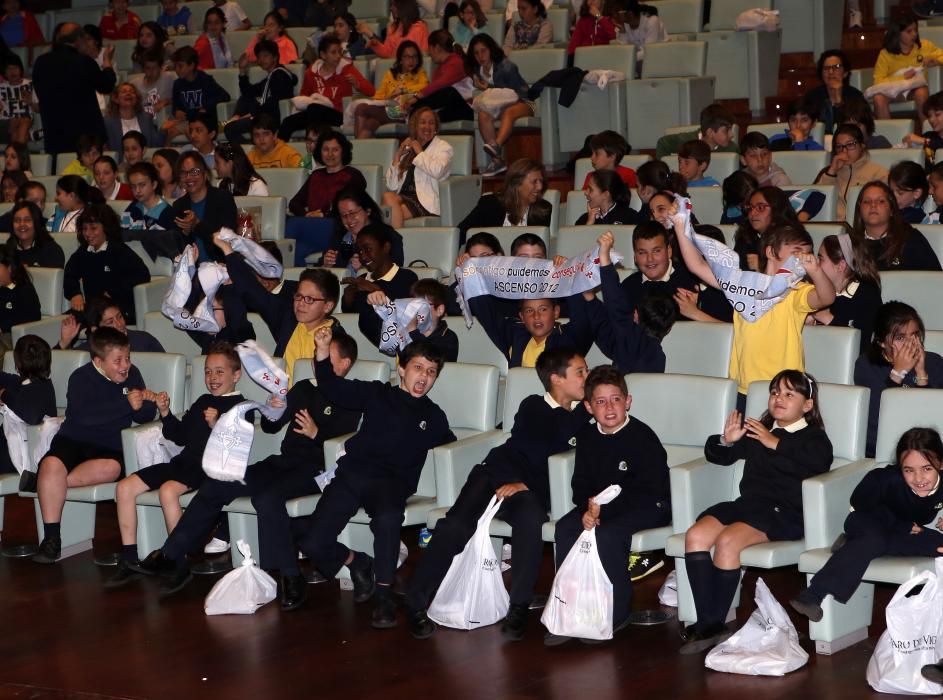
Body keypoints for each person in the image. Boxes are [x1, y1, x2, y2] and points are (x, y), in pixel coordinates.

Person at [130, 334, 362, 603]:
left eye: (324, 357)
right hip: (282, 461)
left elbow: (344, 446)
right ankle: (170, 555)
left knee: (268, 498)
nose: (316, 362)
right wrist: (276, 408)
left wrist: (316, 434)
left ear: (344, 364)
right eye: (316, 356)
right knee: (217, 483)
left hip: (317, 470)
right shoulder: (303, 388)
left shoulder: (351, 396)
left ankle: (290, 576)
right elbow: (273, 426)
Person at [406, 347, 589, 639]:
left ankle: (518, 606)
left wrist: (525, 486)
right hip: (496, 473)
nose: (586, 378)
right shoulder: (533, 406)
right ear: (556, 378)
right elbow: (540, 448)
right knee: (456, 525)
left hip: (529, 491)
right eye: (581, 372)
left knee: (530, 518)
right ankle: (415, 600)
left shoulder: (582, 419)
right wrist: (583, 411)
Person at [295, 329, 454, 627]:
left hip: (392, 483)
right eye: (418, 368)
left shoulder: (434, 417)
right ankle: (358, 562)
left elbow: (453, 447)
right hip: (353, 473)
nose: (423, 377)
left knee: (388, 519)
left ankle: (384, 595)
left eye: (431, 372)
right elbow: (332, 388)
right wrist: (322, 349)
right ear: (402, 368)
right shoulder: (378, 393)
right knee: (313, 542)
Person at [680, 370, 832, 654]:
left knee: (727, 541)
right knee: (696, 535)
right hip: (749, 505)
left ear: (807, 406)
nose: (779, 399)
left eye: (789, 394)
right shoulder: (761, 429)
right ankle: (709, 622)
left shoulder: (813, 439)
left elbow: (816, 467)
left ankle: (709, 624)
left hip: (785, 512)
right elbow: (720, 456)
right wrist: (728, 440)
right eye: (775, 392)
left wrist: (774, 443)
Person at [545, 364, 670, 645]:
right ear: (589, 407)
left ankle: (613, 614)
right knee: (566, 528)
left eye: (615, 399)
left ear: (628, 401)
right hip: (601, 508)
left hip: (649, 505)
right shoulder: (589, 437)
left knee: (607, 534)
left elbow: (650, 490)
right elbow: (580, 484)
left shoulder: (643, 437)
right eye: (600, 402)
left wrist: (601, 513)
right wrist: (586, 509)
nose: (609, 408)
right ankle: (569, 613)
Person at [105, 343, 247, 588]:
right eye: (208, 371)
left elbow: (238, 447)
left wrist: (218, 425)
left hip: (210, 470)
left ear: (236, 375)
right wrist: (166, 412)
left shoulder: (240, 407)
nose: (212, 378)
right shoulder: (203, 400)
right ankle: (129, 558)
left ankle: (179, 563)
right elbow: (179, 436)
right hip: (183, 463)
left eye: (219, 372)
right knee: (125, 487)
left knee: (168, 490)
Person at [675, 212, 836, 411]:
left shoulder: (796, 290)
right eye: (797, 252)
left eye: (808, 253)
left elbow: (827, 297)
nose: (803, 259)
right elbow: (696, 265)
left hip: (784, 390)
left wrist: (816, 271)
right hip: (743, 387)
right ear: (771, 252)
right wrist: (679, 224)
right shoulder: (743, 284)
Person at [791, 427, 943, 624]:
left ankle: (852, 544)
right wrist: (900, 525)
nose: (919, 478)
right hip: (866, 519)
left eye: (927, 469)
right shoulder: (886, 479)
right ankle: (812, 595)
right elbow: (860, 504)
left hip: (901, 531)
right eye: (909, 470)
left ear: (940, 464)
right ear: (900, 468)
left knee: (938, 544)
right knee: (874, 539)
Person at [31, 327, 157, 564]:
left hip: (110, 447)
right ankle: (51, 539)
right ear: (98, 361)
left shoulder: (133, 375)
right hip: (74, 439)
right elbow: (84, 417)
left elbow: (142, 418)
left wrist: (146, 403)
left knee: (111, 469)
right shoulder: (80, 378)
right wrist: (126, 404)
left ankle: (45, 484)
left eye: (127, 358)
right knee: (51, 464)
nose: (125, 365)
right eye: (118, 360)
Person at [854, 301, 943, 458]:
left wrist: (921, 374)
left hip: (927, 448)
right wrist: (898, 373)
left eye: (915, 335)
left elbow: (933, 417)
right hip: (882, 449)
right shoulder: (867, 365)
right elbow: (877, 419)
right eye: (901, 337)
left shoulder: (934, 362)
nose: (910, 343)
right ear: (881, 342)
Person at [590, 231, 676, 373]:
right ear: (669, 328)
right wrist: (590, 298)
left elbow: (616, 304)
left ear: (635, 315)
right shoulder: (657, 355)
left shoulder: (631, 342)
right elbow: (608, 322)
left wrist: (604, 259)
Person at [287, 130, 365, 266]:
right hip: (311, 229)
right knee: (293, 251)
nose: (330, 154)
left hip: (336, 227)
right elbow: (295, 203)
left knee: (292, 224)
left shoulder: (352, 175)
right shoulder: (316, 175)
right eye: (325, 150)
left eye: (335, 150)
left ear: (343, 152)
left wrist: (323, 214)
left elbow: (351, 206)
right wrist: (307, 214)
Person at [64, 204, 151, 325]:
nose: (88, 233)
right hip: (93, 309)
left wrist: (114, 292)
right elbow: (69, 274)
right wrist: (75, 294)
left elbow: (142, 275)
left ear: (106, 228)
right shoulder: (83, 252)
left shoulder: (119, 250)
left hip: (118, 310)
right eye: (84, 229)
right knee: (64, 323)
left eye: (93, 228)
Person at [277, 34, 374, 140]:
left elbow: (371, 91)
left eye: (340, 51)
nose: (338, 56)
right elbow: (304, 97)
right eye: (333, 52)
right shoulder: (311, 73)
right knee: (287, 122)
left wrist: (357, 84)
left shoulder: (347, 69)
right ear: (323, 55)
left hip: (339, 115)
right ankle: (279, 154)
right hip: (315, 113)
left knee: (314, 109)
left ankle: (313, 144)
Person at [467, 34, 532, 177]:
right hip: (500, 105)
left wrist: (488, 87)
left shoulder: (507, 67)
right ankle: (497, 161)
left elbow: (518, 93)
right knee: (483, 115)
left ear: (491, 50)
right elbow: (495, 95)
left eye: (483, 51)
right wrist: (486, 87)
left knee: (508, 112)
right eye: (476, 53)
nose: (480, 56)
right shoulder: (478, 71)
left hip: (524, 102)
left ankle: (496, 146)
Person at [810, 233, 883, 355]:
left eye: (821, 259)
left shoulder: (867, 296)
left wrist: (826, 318)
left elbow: (862, 347)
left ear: (840, 266)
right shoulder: (814, 291)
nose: (817, 264)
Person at [851, 180, 942, 271]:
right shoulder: (848, 245)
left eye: (881, 201)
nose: (873, 205)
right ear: (859, 210)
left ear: (891, 210)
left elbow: (934, 280)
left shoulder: (911, 239)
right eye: (867, 201)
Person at [384, 106, 452, 227]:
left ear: (436, 128)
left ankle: (396, 243)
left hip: (425, 200)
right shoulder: (409, 148)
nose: (427, 126)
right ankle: (397, 241)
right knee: (387, 198)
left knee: (388, 216)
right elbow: (392, 185)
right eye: (423, 122)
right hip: (404, 196)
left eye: (431, 123)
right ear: (415, 126)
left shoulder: (443, 147)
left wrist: (419, 152)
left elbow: (437, 171)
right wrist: (397, 156)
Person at [872, 15, 943, 130]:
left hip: (915, 89)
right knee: (878, 98)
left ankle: (927, 132)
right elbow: (878, 80)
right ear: (897, 33)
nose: (914, 34)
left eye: (915, 30)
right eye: (909, 31)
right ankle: (888, 137)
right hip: (894, 92)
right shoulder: (885, 54)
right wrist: (902, 77)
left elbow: (942, 55)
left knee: (922, 91)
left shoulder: (924, 46)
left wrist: (936, 60)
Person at [458, 158, 551, 242]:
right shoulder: (489, 204)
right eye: (534, 182)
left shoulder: (544, 209)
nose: (540, 187)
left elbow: (540, 246)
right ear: (516, 183)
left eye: (541, 181)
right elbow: (460, 234)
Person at [0, 335, 55, 476]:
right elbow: (4, 378)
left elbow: (31, 415)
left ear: (18, 365)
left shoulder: (42, 389)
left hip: (22, 454)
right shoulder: (25, 384)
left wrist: (4, 395)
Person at [224, 40, 298, 144]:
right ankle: (235, 118)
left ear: (275, 57)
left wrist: (251, 114)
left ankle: (252, 150)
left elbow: (274, 103)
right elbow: (248, 92)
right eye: (259, 57)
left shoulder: (280, 75)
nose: (261, 60)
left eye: (265, 56)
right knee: (245, 97)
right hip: (261, 116)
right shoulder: (270, 77)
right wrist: (242, 70)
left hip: (269, 119)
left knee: (229, 128)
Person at [171, 152, 238, 263]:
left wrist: (197, 224)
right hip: (193, 270)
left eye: (194, 172)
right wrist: (186, 232)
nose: (188, 177)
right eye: (183, 173)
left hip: (221, 265)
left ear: (205, 174)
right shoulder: (179, 205)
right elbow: (178, 248)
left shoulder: (223, 199)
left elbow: (227, 239)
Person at [353, 40, 429, 138]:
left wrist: (402, 90)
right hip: (387, 108)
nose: (411, 60)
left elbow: (425, 86)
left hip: (402, 112)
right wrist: (390, 96)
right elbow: (378, 96)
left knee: (361, 108)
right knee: (370, 123)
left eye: (414, 57)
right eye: (407, 57)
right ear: (400, 59)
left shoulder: (420, 73)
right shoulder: (390, 74)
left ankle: (353, 151)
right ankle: (359, 150)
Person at [340, 223, 418, 317]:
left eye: (368, 249)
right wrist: (348, 300)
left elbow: (401, 316)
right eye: (360, 251)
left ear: (386, 247)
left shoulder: (407, 278)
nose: (363, 257)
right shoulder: (361, 279)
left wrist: (373, 289)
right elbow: (352, 319)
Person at [320, 186, 405, 271]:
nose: (349, 220)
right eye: (344, 215)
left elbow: (394, 273)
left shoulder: (388, 236)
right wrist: (326, 265)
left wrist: (365, 269)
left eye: (352, 213)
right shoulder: (338, 238)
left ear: (368, 211)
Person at [816, 124, 889, 222]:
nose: (844, 151)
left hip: (864, 226)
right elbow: (816, 202)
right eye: (839, 147)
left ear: (862, 146)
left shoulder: (879, 173)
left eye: (850, 145)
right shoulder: (828, 173)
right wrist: (832, 171)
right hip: (833, 227)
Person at [163, 46, 231, 142]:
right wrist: (177, 111)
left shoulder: (205, 80)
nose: (177, 70)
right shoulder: (177, 84)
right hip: (188, 120)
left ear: (191, 65)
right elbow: (176, 105)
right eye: (175, 66)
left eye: (180, 66)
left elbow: (225, 96)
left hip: (205, 121)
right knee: (168, 131)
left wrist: (206, 106)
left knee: (189, 129)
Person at [406, 30, 474, 126]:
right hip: (451, 109)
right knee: (428, 116)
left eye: (429, 48)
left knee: (449, 92)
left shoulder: (456, 61)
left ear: (436, 47)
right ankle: (415, 113)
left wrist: (416, 97)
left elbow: (441, 84)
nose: (428, 53)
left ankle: (415, 112)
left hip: (467, 109)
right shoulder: (439, 68)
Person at [56, 295, 164, 353]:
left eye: (120, 317)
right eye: (110, 322)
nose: (119, 324)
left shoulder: (144, 341)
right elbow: (47, 369)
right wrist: (64, 343)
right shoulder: (87, 351)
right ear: (95, 329)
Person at [734, 186, 805, 271]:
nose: (752, 213)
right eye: (750, 208)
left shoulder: (793, 239)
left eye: (760, 208)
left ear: (777, 209)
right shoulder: (745, 237)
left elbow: (795, 277)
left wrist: (761, 269)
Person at [804, 49, 864, 135]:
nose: (831, 72)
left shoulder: (855, 96)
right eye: (826, 68)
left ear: (845, 73)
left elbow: (859, 126)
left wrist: (838, 100)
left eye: (836, 67)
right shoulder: (812, 97)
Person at [655, 103, 738, 161]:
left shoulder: (732, 149)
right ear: (710, 132)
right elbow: (663, 143)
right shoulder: (687, 141)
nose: (732, 135)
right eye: (727, 130)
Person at [3, 201, 64, 268]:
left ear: (36, 223)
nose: (22, 224)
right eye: (17, 220)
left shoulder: (52, 251)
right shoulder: (6, 251)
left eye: (27, 220)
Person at [104, 82, 162, 152]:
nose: (128, 94)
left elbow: (155, 145)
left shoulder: (146, 118)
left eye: (132, 92)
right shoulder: (108, 122)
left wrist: (163, 130)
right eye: (124, 92)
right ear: (116, 99)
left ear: (136, 99)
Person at [359, 0, 429, 58]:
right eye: (391, 5)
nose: (391, 8)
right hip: (395, 67)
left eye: (394, 5)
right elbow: (387, 53)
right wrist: (376, 44)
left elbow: (421, 56)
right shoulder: (392, 27)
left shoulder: (419, 28)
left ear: (404, 7)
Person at [123, 161, 177, 232]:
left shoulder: (167, 213)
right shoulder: (132, 208)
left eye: (142, 185)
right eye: (133, 186)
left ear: (154, 184)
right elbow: (121, 236)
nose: (137, 190)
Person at [0, 247, 39, 343]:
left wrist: (2, 327)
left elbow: (29, 321)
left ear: (9, 268)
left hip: (15, 339)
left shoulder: (24, 290)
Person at [576, 169, 640, 225]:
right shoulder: (584, 220)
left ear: (605, 194)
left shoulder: (630, 217)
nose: (585, 193)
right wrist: (589, 224)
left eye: (590, 189)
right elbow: (575, 238)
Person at [614, 0, 667, 66]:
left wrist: (627, 58)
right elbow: (624, 52)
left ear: (630, 13)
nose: (614, 16)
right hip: (637, 63)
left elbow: (649, 52)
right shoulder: (622, 26)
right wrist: (622, 32)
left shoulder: (652, 21)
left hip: (659, 60)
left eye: (617, 13)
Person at [0, 56, 36, 144]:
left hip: (26, 121)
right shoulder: (1, 87)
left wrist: (30, 102)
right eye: (9, 69)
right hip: (6, 124)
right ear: (4, 72)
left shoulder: (30, 84)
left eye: (15, 68)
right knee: (19, 123)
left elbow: (38, 110)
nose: (12, 72)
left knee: (22, 123)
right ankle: (21, 150)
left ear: (21, 69)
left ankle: (15, 152)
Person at [131, 50, 174, 119]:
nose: (151, 71)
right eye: (148, 68)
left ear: (160, 67)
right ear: (143, 69)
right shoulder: (135, 84)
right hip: (144, 122)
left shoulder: (168, 78)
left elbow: (178, 100)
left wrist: (166, 101)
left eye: (154, 68)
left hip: (165, 122)